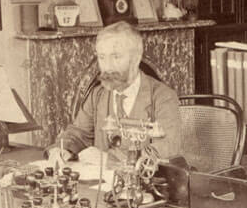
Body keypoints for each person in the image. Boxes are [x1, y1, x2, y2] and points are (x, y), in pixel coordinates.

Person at [47, 21, 182, 162]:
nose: (107, 67)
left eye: (116, 57)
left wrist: (109, 160)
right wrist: (62, 149)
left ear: (135, 58)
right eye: (102, 57)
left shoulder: (163, 97)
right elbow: (78, 134)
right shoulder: (97, 95)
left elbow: (166, 148)